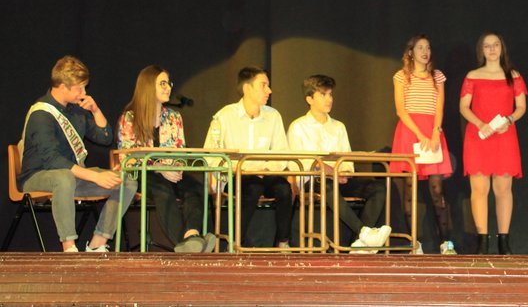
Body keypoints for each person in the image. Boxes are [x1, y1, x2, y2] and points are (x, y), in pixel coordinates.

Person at [18, 55, 137, 252]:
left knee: (126, 182)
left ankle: (97, 244)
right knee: (63, 177)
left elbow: (105, 137)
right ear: (63, 87)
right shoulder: (41, 114)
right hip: (36, 177)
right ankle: (69, 248)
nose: (84, 93)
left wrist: (95, 110)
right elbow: (52, 160)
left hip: (72, 177)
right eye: (80, 88)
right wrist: (94, 176)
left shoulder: (76, 111)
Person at [287, 74, 391, 253]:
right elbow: (297, 164)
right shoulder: (298, 127)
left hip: (339, 178)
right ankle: (363, 232)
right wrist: (325, 169)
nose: (329, 99)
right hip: (313, 181)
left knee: (377, 188)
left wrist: (345, 172)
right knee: (326, 185)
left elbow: (346, 158)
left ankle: (358, 243)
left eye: (330, 94)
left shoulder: (338, 126)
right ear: (309, 99)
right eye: (323, 95)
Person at [117, 65, 215, 253]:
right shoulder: (130, 118)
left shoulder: (174, 117)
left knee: (195, 187)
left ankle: (192, 236)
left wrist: (177, 167)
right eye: (162, 83)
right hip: (142, 173)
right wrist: (160, 167)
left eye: (168, 83)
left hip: (171, 172)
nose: (168, 87)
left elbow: (180, 150)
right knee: (162, 190)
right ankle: (184, 243)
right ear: (148, 86)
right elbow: (127, 158)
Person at [203, 67, 294, 249]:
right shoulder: (224, 116)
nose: (269, 90)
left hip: (266, 173)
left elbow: (282, 152)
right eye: (263, 85)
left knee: (284, 189)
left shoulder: (273, 116)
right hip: (236, 175)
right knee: (253, 187)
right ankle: (236, 242)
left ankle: (283, 242)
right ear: (247, 88)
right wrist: (237, 169)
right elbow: (211, 154)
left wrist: (267, 169)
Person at [459, 32, 527, 254]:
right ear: (481, 50)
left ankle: (504, 242)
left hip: (504, 135)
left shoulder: (513, 75)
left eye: (495, 45)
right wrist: (481, 124)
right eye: (487, 46)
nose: (492, 49)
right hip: (479, 135)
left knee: (503, 189)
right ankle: (482, 242)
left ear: (502, 48)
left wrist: (509, 120)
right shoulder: (473, 75)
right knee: (479, 190)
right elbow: (463, 107)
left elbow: (521, 107)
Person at [389, 34, 456, 255]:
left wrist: (435, 132)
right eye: (420, 48)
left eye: (427, 47)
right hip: (410, 133)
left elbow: (439, 108)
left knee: (437, 189)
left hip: (433, 133)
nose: (425, 52)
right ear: (411, 52)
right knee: (410, 189)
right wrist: (419, 134)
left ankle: (446, 243)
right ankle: (414, 243)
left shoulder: (437, 76)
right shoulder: (401, 76)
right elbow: (401, 110)